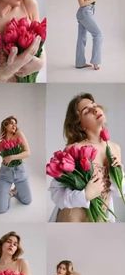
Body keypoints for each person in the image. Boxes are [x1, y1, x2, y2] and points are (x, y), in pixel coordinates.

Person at [49, 93, 124, 222]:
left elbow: (119, 192)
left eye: (95, 105)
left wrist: (117, 173)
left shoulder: (115, 148)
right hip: (74, 219)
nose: (95, 109)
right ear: (80, 124)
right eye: (87, 111)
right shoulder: (75, 149)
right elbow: (56, 192)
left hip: (101, 219)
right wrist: (85, 195)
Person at [0, 115, 31, 213]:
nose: (15, 125)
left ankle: (16, 191)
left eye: (15, 123)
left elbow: (27, 153)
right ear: (5, 125)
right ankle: (9, 194)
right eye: (11, 123)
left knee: (27, 201)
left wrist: (12, 157)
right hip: (5, 175)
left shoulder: (19, 135)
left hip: (20, 172)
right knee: (0, 210)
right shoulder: (1, 144)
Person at [72, 0, 102, 70]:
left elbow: (87, 1)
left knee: (82, 38)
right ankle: (96, 62)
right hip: (84, 13)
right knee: (98, 34)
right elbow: (81, 4)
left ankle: (80, 63)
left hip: (87, 12)